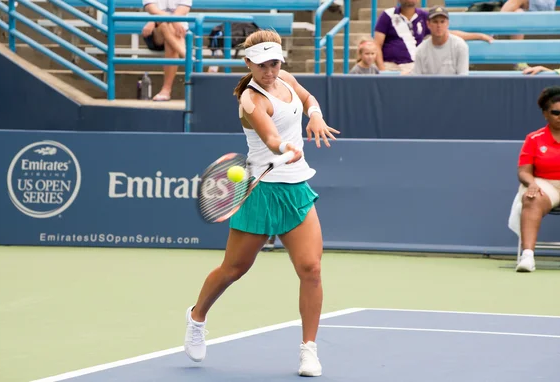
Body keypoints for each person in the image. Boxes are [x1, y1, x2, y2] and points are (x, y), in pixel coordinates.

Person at [183, 29, 340, 377]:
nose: (269, 71)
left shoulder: (285, 77)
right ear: (248, 64)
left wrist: (314, 112)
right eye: (261, 65)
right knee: (233, 270)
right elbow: (270, 137)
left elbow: (306, 95)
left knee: (311, 269)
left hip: (295, 187)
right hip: (261, 190)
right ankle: (196, 317)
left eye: (274, 63)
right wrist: (285, 148)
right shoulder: (251, 100)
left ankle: (308, 350)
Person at [515, 86, 560, 272]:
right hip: (545, 184)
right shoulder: (534, 138)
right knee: (531, 199)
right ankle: (528, 257)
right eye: (556, 113)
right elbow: (523, 171)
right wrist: (532, 184)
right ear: (546, 114)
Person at [373, 0, 492, 72]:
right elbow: (377, 44)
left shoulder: (423, 16)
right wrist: (382, 69)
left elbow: (446, 32)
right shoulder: (388, 15)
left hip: (413, 66)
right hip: (390, 65)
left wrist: (478, 35)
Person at [141, 0, 191, 101]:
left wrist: (157, 19)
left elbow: (184, 9)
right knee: (164, 24)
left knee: (170, 43)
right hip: (156, 33)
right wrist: (166, 20)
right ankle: (187, 56)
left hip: (178, 32)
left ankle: (166, 90)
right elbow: (151, 8)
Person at [410, 6, 469, 76]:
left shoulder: (460, 46)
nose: (439, 25)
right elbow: (417, 79)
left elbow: (463, 78)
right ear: (428, 24)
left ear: (447, 23)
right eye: (435, 22)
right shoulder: (420, 50)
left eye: (442, 22)